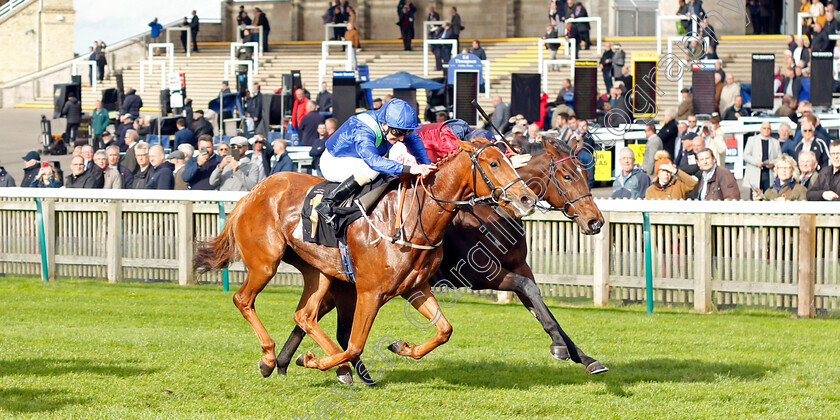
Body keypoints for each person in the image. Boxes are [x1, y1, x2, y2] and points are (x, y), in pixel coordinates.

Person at [315, 98, 434, 225]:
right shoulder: (363, 130)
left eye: (407, 132)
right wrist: (410, 168)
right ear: (384, 125)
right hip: (333, 162)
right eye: (398, 133)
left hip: (357, 160)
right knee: (372, 170)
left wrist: (425, 164)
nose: (401, 138)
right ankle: (328, 203)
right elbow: (374, 162)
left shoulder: (395, 125)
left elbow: (414, 140)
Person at [742, 122, 782, 193]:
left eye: (768, 128)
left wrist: (773, 163)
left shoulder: (775, 142)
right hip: (755, 172)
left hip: (769, 173)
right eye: (764, 128)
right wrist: (756, 162)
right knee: (755, 197)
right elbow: (745, 155)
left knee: (769, 196)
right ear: (760, 129)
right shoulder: (752, 140)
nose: (766, 130)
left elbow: (780, 158)